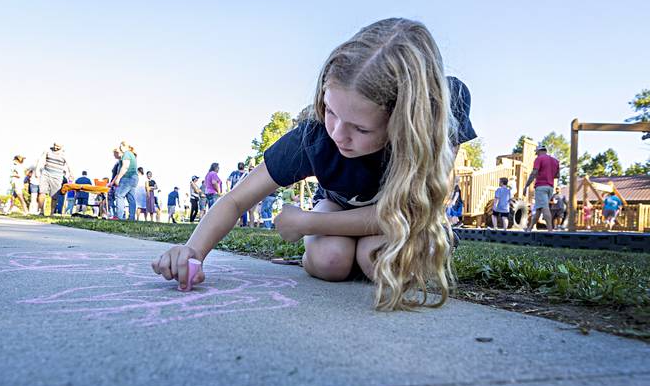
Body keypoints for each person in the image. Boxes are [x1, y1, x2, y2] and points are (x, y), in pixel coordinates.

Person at [153, 18, 476, 311]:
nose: (338, 133)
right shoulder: (316, 136)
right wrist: (192, 251)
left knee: (377, 260)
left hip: (399, 220)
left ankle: (350, 248)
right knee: (330, 260)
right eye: (330, 110)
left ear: (404, 122)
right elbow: (237, 198)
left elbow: (409, 211)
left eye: (360, 129)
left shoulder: (438, 111)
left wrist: (307, 223)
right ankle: (330, 252)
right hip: (337, 209)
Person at [523, 144, 560, 232]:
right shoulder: (555, 161)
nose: (537, 155)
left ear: (539, 151)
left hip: (541, 186)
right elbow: (557, 175)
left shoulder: (539, 159)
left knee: (544, 208)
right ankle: (529, 228)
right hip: (550, 187)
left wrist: (526, 186)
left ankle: (550, 230)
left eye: (537, 153)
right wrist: (548, 174)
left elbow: (534, 172)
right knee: (539, 209)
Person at [36, 142, 72, 216]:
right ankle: (41, 211)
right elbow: (40, 160)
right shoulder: (47, 151)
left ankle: (52, 213)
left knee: (54, 196)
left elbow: (69, 165)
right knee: (41, 192)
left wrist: (71, 174)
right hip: (45, 173)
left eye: (58, 147)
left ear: (62, 147)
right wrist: (37, 170)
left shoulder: (64, 154)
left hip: (57, 176)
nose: (55, 148)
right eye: (55, 145)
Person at [110, 140, 139, 220]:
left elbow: (125, 167)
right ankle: (131, 218)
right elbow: (118, 172)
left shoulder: (126, 154)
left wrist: (118, 179)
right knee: (131, 198)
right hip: (134, 178)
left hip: (127, 178)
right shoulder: (131, 154)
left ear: (123, 146)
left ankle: (119, 217)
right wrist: (112, 182)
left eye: (120, 146)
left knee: (119, 195)